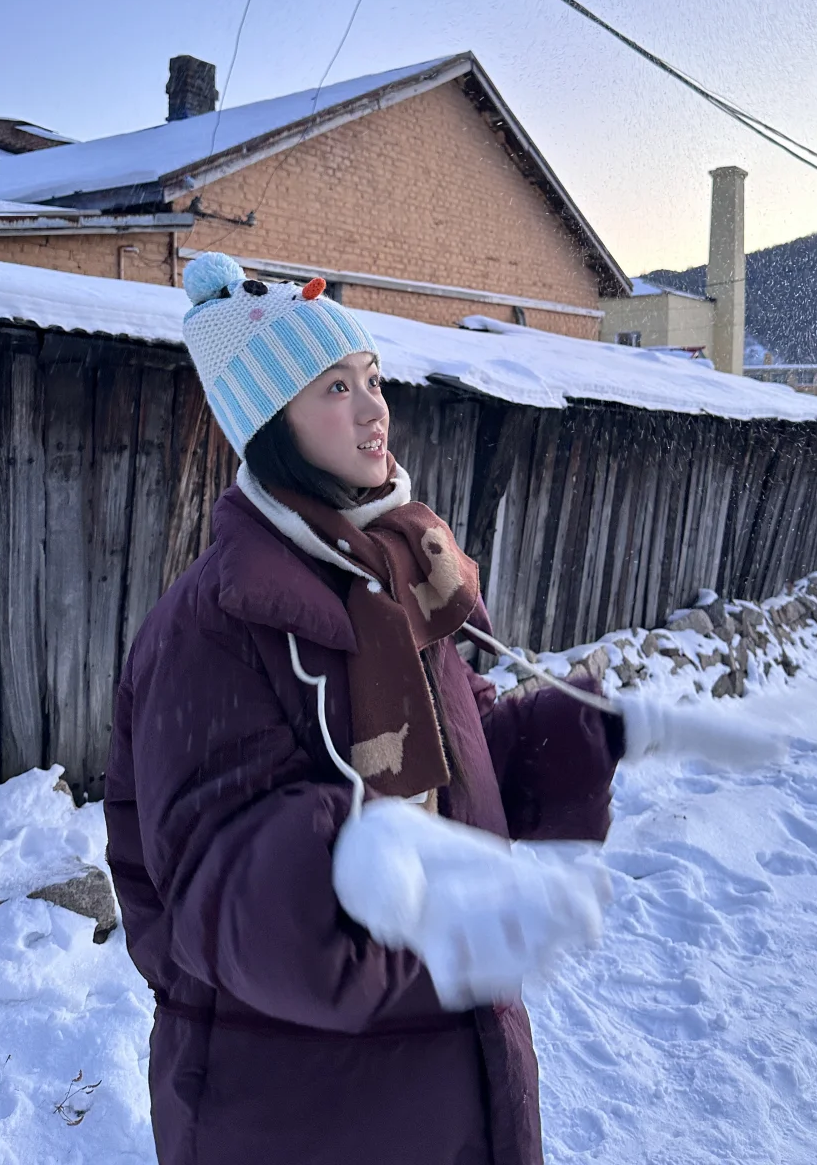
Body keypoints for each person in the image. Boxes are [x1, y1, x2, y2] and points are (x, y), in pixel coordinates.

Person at [103, 252, 627, 1165]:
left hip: (451, 1081)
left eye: (372, 378)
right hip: (304, 1108)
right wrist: (367, 860)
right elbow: (221, 892)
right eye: (334, 388)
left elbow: (449, 778)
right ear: (270, 422)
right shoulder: (217, 624)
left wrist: (552, 742)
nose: (374, 406)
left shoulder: (391, 581)